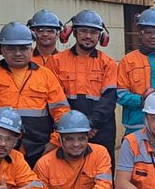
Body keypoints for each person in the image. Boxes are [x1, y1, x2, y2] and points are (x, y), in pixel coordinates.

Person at [0, 22, 69, 167]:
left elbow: (61, 112)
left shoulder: (46, 75)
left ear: (31, 48)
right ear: (1, 50)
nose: (17, 53)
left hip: (39, 145)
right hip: (2, 144)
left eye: (23, 48)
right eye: (11, 48)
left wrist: (55, 141)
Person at [46, 10, 118, 164]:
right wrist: (72, 126)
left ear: (101, 37)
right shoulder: (56, 61)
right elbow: (55, 98)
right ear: (73, 32)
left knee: (102, 169)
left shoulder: (108, 63)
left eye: (93, 32)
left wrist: (91, 124)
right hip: (67, 130)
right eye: (83, 31)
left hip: (99, 130)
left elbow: (109, 99)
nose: (88, 36)